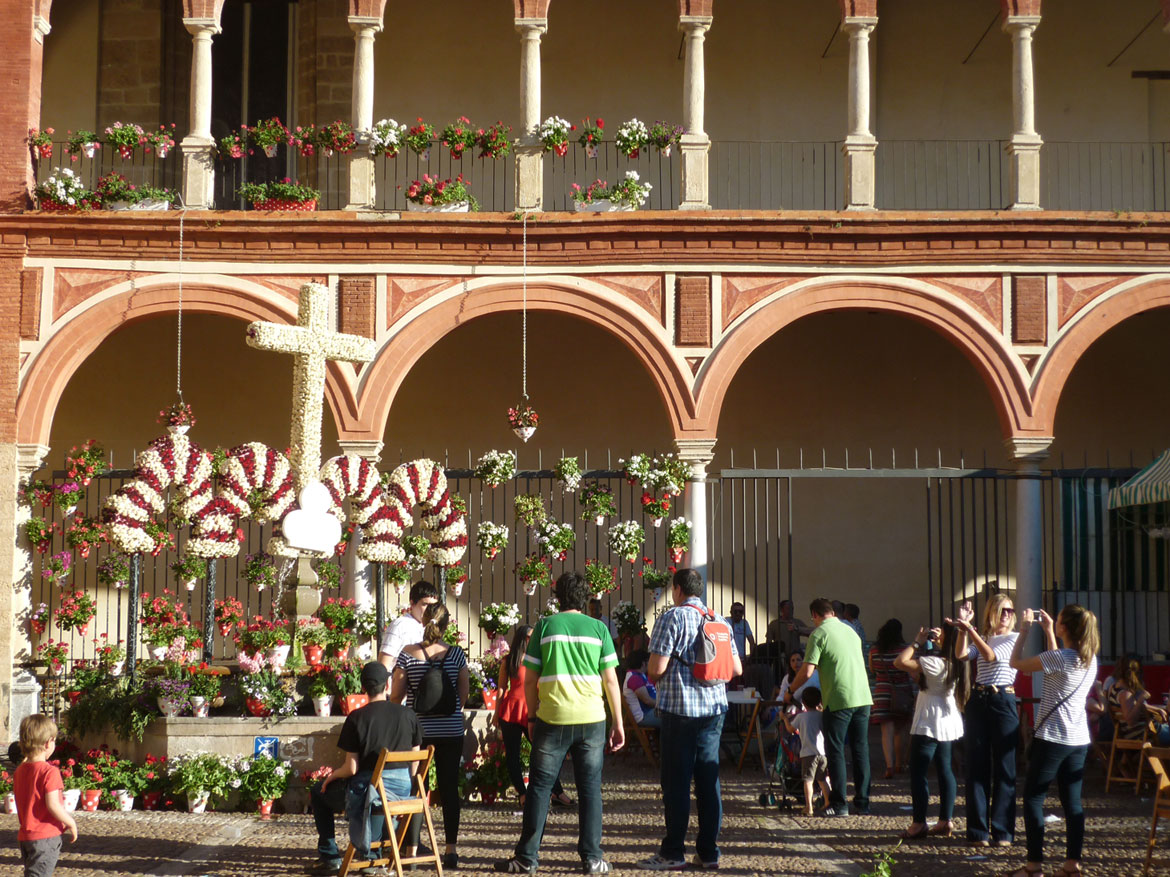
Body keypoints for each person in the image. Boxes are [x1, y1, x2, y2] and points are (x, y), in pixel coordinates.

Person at [494, 572, 624, 875]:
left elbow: (531, 680)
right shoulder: (599, 629)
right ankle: (592, 858)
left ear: (558, 597)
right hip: (592, 718)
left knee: (539, 787)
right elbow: (611, 681)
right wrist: (618, 722)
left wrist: (531, 715)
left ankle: (527, 858)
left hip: (552, 718)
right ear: (586, 598)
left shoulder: (545, 627)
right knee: (590, 788)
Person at [639, 568, 742, 871]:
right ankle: (709, 853)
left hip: (680, 711)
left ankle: (673, 852)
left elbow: (656, 669)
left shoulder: (672, 617)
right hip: (714, 712)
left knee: (677, 784)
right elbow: (736, 669)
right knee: (708, 782)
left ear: (678, 589)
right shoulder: (718, 619)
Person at [1004, 605, 1099, 877]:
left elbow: (1016, 664)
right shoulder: (1089, 659)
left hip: (1053, 737)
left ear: (1065, 628)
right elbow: (1057, 661)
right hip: (1078, 738)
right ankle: (1072, 865)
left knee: (1034, 798)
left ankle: (1034, 866)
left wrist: (1023, 631)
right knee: (1073, 803)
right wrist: (1048, 630)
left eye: (1057, 622)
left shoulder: (1058, 658)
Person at [307, 662, 421, 876]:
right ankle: (378, 848)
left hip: (374, 793)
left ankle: (330, 856)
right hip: (404, 791)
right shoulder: (408, 715)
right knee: (373, 791)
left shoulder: (357, 718)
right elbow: (415, 760)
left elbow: (351, 768)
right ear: (387, 684)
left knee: (318, 792)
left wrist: (331, 777)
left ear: (364, 688)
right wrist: (409, 784)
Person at [391, 603, 469, 870]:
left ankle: (411, 851)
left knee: (415, 786)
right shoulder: (457, 654)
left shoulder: (407, 654)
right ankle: (451, 850)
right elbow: (463, 695)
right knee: (449, 789)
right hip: (451, 730)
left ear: (423, 621)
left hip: (418, 732)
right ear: (447, 625)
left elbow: (396, 696)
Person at [787, 597, 872, 817]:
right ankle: (862, 802)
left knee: (835, 752)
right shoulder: (851, 630)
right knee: (860, 750)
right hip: (863, 696)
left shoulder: (818, 634)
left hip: (839, 698)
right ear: (832, 612)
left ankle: (839, 803)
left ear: (814, 615)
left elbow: (806, 671)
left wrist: (789, 691)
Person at [949, 594, 1019, 847]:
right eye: (1002, 611)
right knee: (976, 766)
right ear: (991, 612)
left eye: (1010, 610)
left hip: (1003, 700)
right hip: (979, 699)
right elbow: (962, 654)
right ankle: (978, 831)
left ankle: (1003, 832)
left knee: (1005, 767)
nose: (1007, 615)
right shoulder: (985, 637)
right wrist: (963, 630)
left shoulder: (1015, 637)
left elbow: (991, 657)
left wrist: (970, 630)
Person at [893, 623, 967, 840]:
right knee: (945, 769)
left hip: (929, 719)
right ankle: (946, 819)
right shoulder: (958, 662)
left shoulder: (934, 663)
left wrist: (917, 641)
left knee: (918, 772)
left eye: (941, 633)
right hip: (948, 718)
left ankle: (918, 822)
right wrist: (939, 643)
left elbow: (900, 662)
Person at [492, 624, 573, 808]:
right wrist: (496, 713)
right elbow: (502, 688)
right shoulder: (509, 660)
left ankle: (556, 791)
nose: (533, 640)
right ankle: (522, 793)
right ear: (522, 639)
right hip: (512, 710)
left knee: (544, 752)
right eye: (530, 637)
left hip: (532, 711)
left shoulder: (538, 660)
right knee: (512, 755)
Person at [13, 715, 76, 877]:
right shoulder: (49, 772)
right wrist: (70, 822)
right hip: (46, 836)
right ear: (48, 742)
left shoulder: (20, 770)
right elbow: (53, 805)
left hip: (26, 836)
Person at [869, 618, 915, 779]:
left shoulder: (874, 650)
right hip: (901, 693)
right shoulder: (905, 649)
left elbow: (873, 670)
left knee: (885, 732)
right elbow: (911, 670)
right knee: (901, 730)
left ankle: (889, 766)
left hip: (882, 691)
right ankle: (900, 763)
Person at [781, 687, 832, 816]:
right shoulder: (821, 715)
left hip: (808, 754)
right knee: (822, 780)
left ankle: (809, 806)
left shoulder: (801, 717)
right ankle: (828, 802)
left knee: (808, 780)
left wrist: (785, 719)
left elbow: (791, 730)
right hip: (822, 753)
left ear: (803, 702)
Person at [379, 580, 439, 670]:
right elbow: (384, 664)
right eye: (425, 604)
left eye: (433, 605)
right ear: (412, 603)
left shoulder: (432, 627)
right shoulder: (400, 625)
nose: (430, 609)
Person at [623, 649, 661, 728]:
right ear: (643, 663)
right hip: (644, 716)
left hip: (650, 712)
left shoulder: (640, 675)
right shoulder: (634, 678)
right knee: (674, 719)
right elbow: (647, 700)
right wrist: (664, 706)